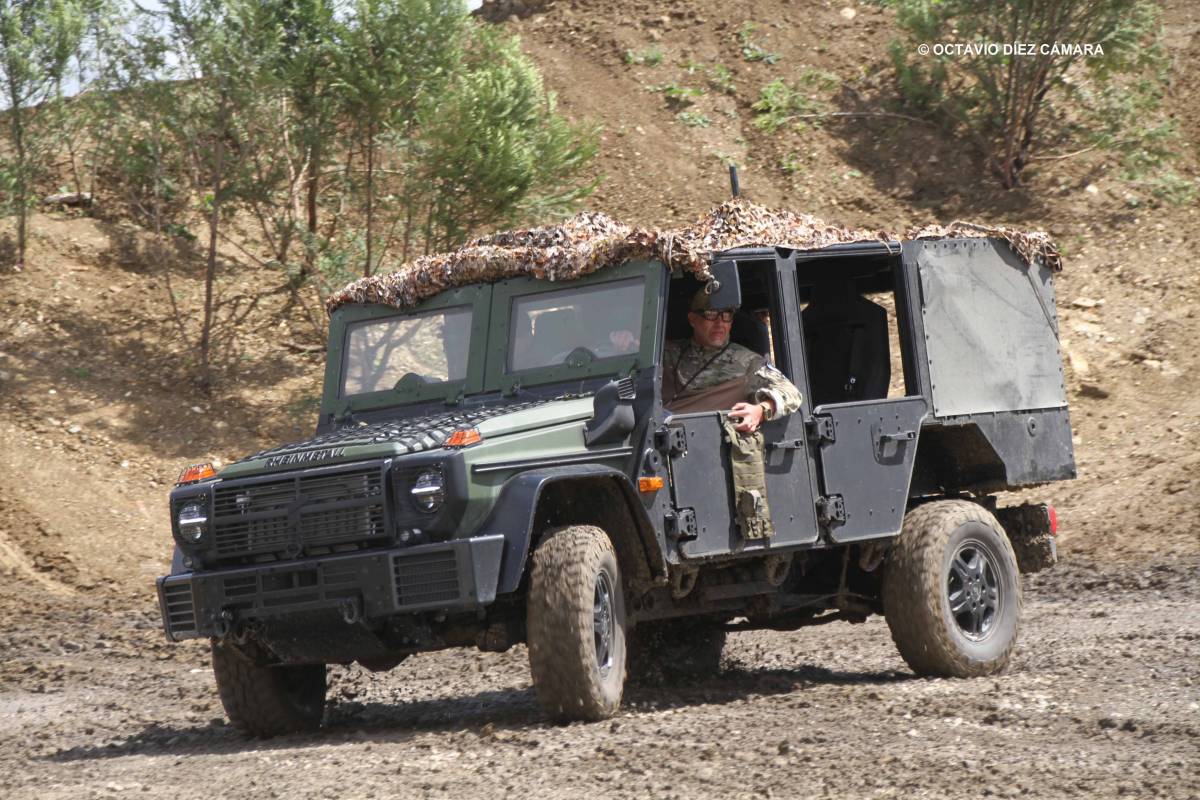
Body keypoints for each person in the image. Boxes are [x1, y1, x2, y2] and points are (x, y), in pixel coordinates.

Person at [663, 287, 803, 432]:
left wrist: (761, 411)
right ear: (692, 319)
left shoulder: (745, 361)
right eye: (711, 314)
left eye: (726, 315)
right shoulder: (669, 353)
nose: (719, 323)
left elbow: (792, 393)